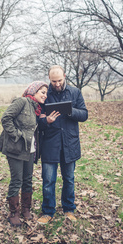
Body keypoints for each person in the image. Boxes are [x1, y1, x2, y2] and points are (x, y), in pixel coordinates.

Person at [37, 65, 88, 224]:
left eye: (59, 80)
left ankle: (68, 209)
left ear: (65, 76)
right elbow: (38, 121)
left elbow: (84, 115)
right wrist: (46, 121)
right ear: (49, 79)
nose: (57, 84)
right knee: (48, 181)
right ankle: (48, 212)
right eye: (53, 81)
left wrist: (70, 111)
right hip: (50, 144)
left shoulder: (75, 92)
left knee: (69, 179)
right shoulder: (44, 95)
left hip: (69, 143)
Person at [0, 81, 48, 227]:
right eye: (42, 92)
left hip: (30, 149)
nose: (45, 95)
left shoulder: (37, 109)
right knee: (16, 180)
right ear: (33, 91)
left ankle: (26, 209)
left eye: (46, 93)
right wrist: (16, 135)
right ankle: (14, 213)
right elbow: (6, 118)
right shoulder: (22, 102)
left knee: (28, 180)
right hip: (16, 149)